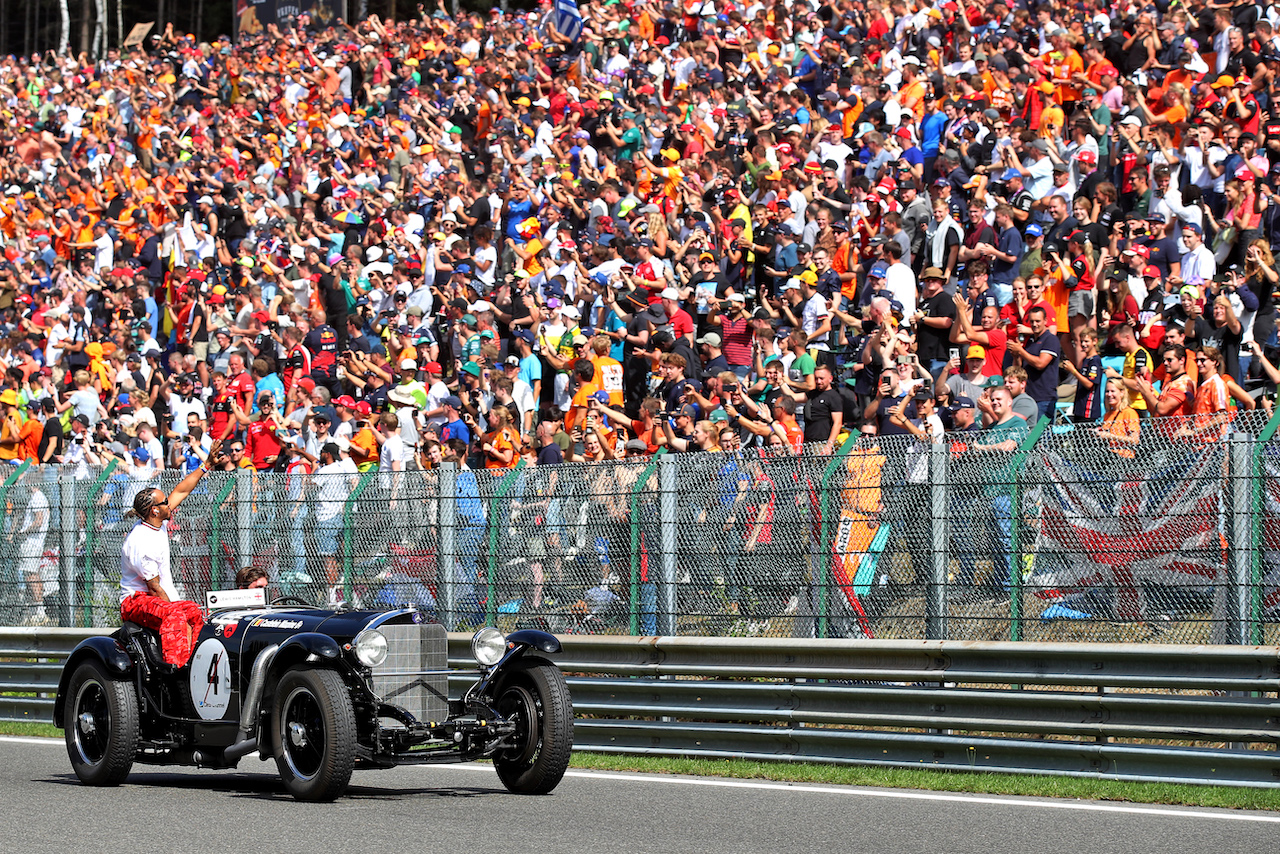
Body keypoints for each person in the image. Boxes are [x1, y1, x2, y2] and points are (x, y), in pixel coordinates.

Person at [119, 439, 224, 667]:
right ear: (155, 510)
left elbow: (182, 489)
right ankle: (177, 669)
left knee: (195, 612)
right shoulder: (139, 540)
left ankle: (194, 664)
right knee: (175, 615)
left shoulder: (159, 521)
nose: (170, 503)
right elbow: (154, 588)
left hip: (155, 596)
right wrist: (176, 611)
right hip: (135, 600)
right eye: (165, 502)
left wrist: (206, 464)